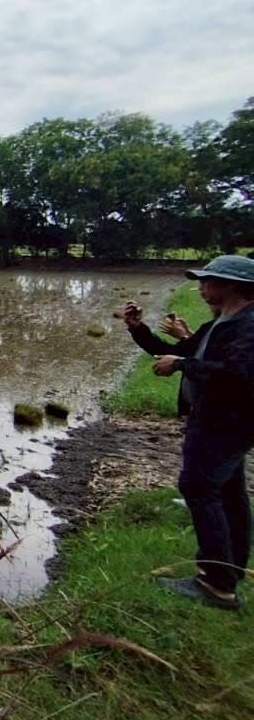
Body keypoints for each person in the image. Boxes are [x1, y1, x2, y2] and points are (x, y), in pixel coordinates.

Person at [121, 254, 254, 611]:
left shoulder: (247, 326)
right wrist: (138, 328)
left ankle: (216, 585)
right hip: (217, 419)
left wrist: (182, 364)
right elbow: (171, 351)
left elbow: (238, 376)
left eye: (208, 281)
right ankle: (229, 570)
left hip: (225, 423)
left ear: (233, 286)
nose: (201, 287)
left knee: (199, 488)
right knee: (229, 494)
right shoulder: (220, 323)